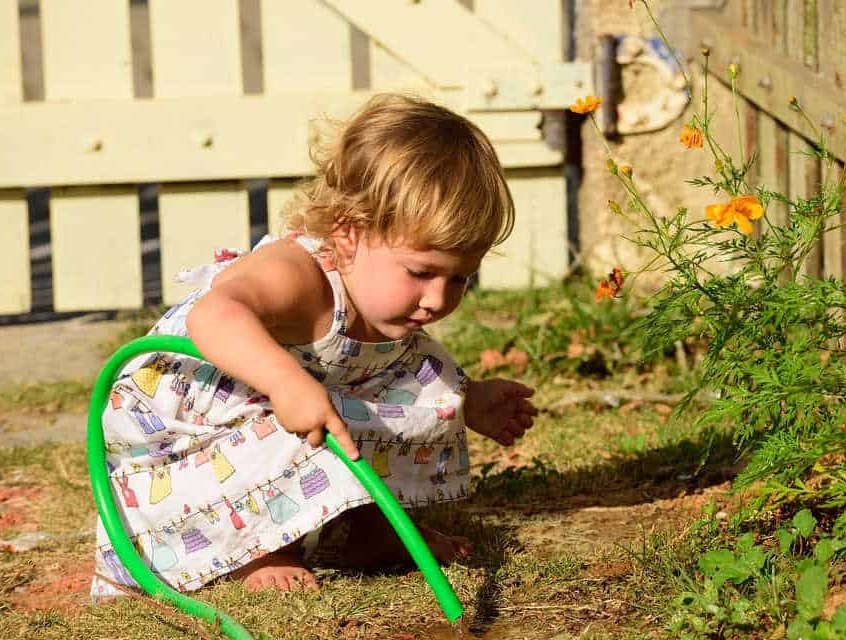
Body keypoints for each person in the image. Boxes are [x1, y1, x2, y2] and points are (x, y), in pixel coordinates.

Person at [91, 94, 538, 597]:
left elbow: (403, 381)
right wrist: (286, 382)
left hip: (276, 398)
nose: (437, 298)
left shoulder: (385, 304)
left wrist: (467, 401)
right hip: (183, 428)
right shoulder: (297, 275)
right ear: (348, 233)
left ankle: (371, 531)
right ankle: (256, 551)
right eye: (421, 272)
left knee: (416, 373)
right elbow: (212, 315)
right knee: (302, 412)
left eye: (460, 278)